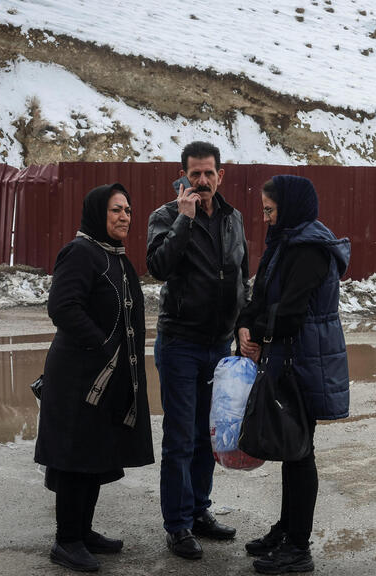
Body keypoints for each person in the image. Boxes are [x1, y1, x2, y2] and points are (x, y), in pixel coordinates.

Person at [34, 182, 154, 572]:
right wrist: (102, 346)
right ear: (96, 213)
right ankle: (66, 540)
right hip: (78, 376)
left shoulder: (113, 256)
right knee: (74, 456)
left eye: (128, 210)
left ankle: (82, 532)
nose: (125, 217)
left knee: (94, 453)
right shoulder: (81, 253)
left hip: (104, 377)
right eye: (116, 209)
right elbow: (63, 307)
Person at [236, 175, 351, 575]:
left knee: (300, 452)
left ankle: (298, 547)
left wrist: (260, 334)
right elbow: (262, 296)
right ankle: (286, 530)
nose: (266, 218)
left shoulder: (309, 250)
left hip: (305, 359)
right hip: (289, 356)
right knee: (292, 447)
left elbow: (289, 312)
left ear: (289, 207)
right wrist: (245, 325)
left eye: (270, 210)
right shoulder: (285, 243)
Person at [146, 141, 249, 559]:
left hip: (219, 346)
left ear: (220, 175)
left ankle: (199, 510)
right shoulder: (165, 216)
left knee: (209, 436)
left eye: (209, 173)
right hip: (180, 344)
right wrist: (183, 221)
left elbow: (241, 275)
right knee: (180, 438)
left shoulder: (233, 218)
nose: (202, 181)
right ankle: (177, 525)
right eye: (195, 174)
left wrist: (243, 326)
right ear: (183, 176)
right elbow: (158, 267)